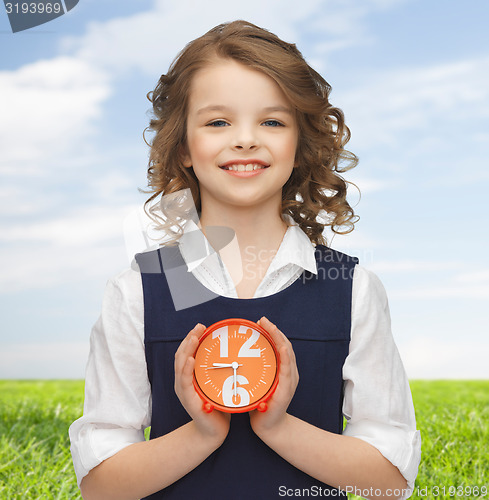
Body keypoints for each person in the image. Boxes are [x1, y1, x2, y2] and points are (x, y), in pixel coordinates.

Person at [69, 20, 421, 500]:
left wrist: (277, 426)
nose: (245, 139)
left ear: (299, 144)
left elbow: (389, 482)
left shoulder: (349, 288)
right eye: (218, 122)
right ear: (183, 146)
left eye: (272, 121)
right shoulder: (141, 288)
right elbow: (100, 488)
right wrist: (203, 432)